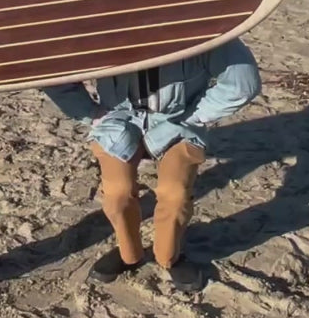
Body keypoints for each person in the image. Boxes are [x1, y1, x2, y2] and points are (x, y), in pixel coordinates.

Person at [44, 39, 261, 293]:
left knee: (175, 194)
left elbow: (243, 83)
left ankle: (169, 257)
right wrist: (89, 112)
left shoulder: (202, 25)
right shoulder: (95, 25)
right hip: (117, 121)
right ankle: (129, 255)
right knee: (117, 193)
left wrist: (194, 117)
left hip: (179, 120)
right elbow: (50, 69)